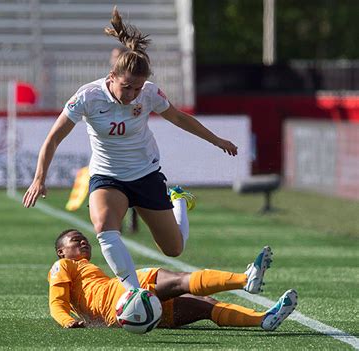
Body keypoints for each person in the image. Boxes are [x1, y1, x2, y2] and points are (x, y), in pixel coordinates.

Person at [23, 7, 238, 292]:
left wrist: (216, 140)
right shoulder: (87, 97)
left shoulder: (149, 93)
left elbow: (179, 118)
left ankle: (179, 202)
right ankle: (135, 294)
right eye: (127, 87)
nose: (133, 95)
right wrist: (39, 178)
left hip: (145, 173)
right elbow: (53, 138)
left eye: (137, 89)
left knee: (174, 250)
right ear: (112, 76)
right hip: (107, 176)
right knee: (103, 227)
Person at [48, 229, 298, 330]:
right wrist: (66, 321)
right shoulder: (63, 265)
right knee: (179, 280)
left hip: (125, 316)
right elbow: (56, 302)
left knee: (205, 305)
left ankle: (263, 320)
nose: (83, 240)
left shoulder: (87, 271)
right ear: (61, 252)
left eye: (84, 238)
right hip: (124, 295)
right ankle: (245, 279)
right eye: (75, 239)